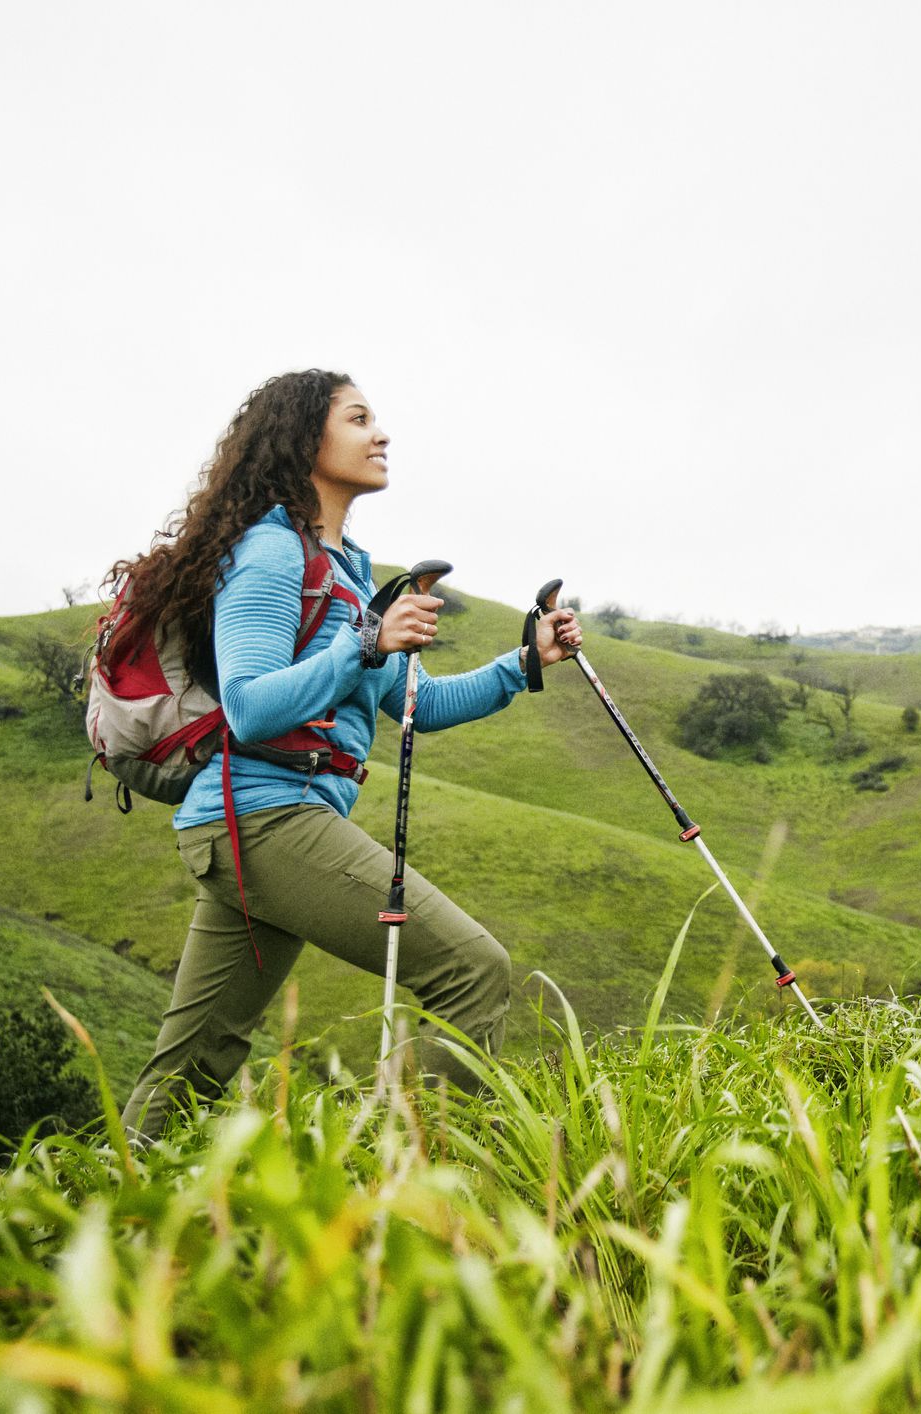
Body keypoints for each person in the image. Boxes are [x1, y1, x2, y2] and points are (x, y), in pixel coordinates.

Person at [109, 368, 580, 1142]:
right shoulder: (268, 552)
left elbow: (414, 704)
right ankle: (398, 1182)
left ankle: (96, 1216)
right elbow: (252, 707)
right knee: (472, 969)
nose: (382, 433)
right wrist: (364, 641)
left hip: (257, 824)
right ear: (304, 440)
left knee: (194, 1062)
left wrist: (524, 663)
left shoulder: (347, 568)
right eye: (359, 419)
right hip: (261, 817)